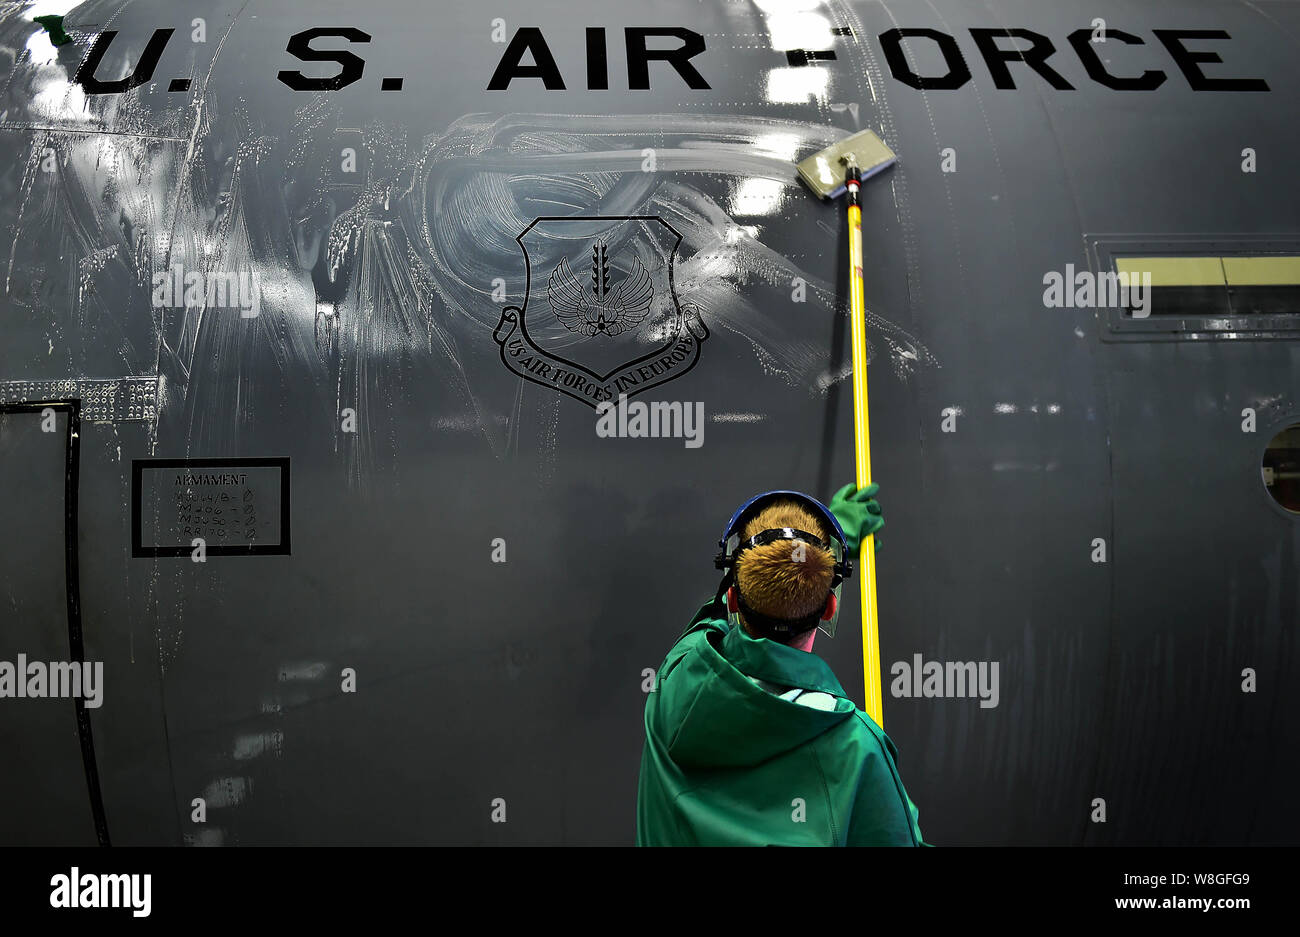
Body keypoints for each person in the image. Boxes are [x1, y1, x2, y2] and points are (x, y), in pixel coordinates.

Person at [636, 483, 927, 846]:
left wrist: (809, 559)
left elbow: (718, 611)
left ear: (733, 600)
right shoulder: (858, 749)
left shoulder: (675, 676)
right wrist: (826, 557)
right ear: (830, 607)